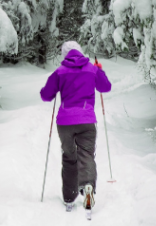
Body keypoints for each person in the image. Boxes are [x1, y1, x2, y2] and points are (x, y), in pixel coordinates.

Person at [40, 41, 111, 212]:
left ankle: (69, 197)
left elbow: (45, 95)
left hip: (65, 123)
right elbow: (105, 87)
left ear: (65, 55)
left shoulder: (60, 72)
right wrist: (99, 70)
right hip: (86, 121)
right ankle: (87, 187)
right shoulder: (91, 69)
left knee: (69, 157)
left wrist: (58, 87)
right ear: (80, 52)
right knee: (86, 155)